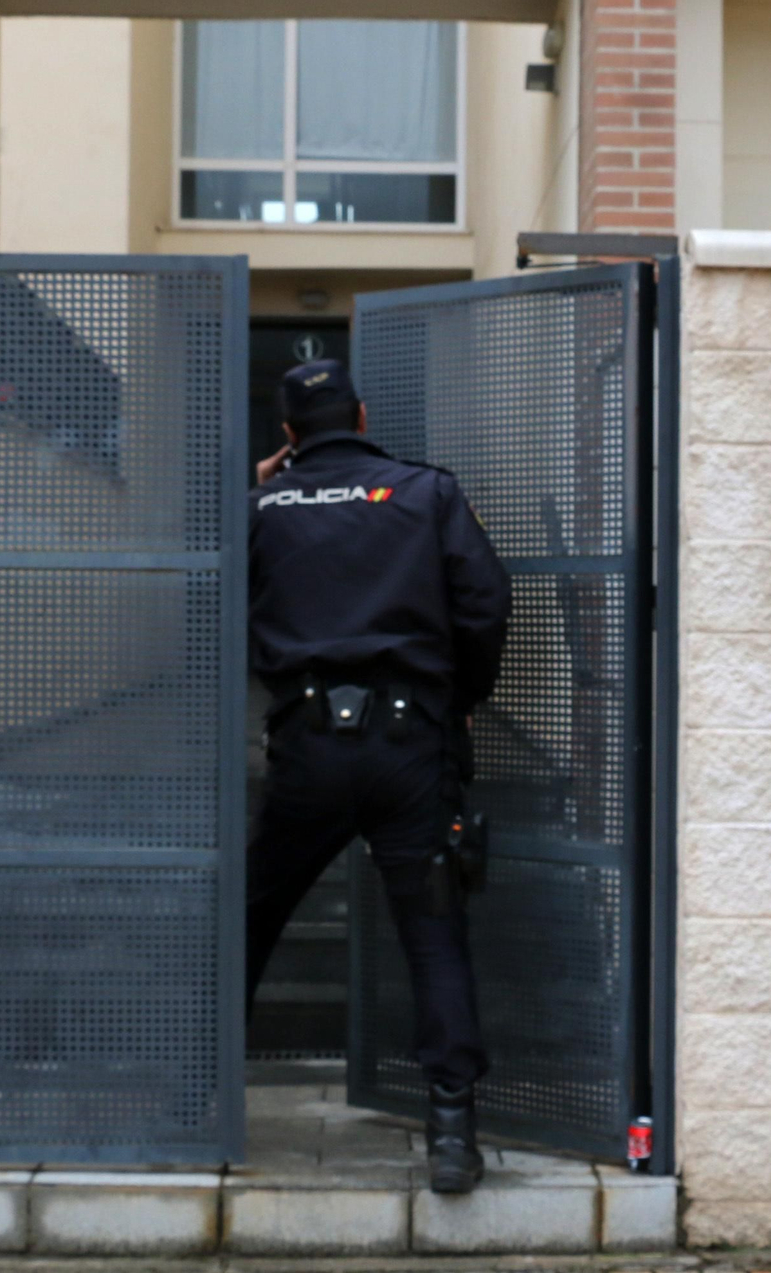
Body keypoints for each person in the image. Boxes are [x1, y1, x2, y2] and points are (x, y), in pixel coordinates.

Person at [245, 359, 511, 1194]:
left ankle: (197, 1094)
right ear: (361, 413)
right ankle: (452, 1135)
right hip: (408, 746)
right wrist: (458, 697)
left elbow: (208, 597)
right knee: (433, 933)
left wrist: (259, 491)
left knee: (247, 918)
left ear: (288, 434)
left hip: (306, 748)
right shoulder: (425, 491)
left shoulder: (258, 506)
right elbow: (485, 602)